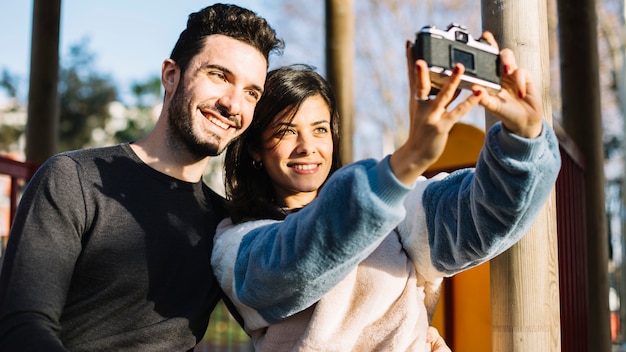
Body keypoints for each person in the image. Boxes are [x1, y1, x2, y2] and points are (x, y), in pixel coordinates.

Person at [211, 33, 561, 351]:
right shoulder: (237, 245)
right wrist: (410, 158)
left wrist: (523, 135)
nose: (307, 146)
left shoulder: (395, 207)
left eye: (319, 129)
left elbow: (482, 215)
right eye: (287, 131)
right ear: (255, 148)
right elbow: (297, 259)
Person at [0, 4, 283, 351]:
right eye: (219, 75)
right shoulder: (73, 179)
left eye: (251, 92)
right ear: (170, 75)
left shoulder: (227, 225)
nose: (233, 104)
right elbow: (22, 325)